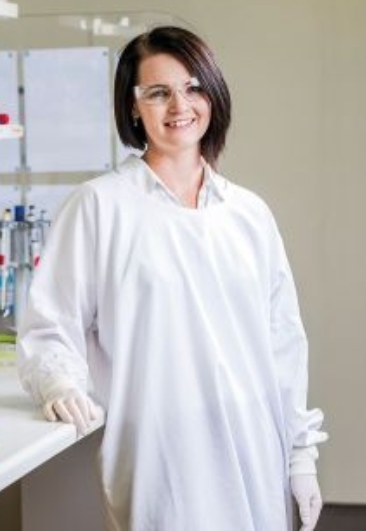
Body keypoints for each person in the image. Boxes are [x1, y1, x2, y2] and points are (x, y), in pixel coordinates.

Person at [17, 26, 327, 530]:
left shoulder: (248, 213)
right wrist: (57, 381)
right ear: (133, 107)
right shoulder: (100, 206)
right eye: (158, 92)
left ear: (213, 94)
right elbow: (50, 325)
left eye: (192, 87)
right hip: (160, 455)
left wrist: (300, 455)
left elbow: (284, 344)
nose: (179, 105)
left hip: (253, 442)